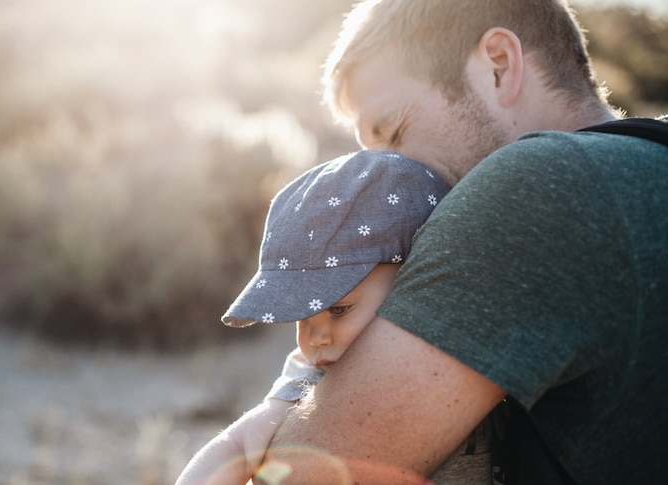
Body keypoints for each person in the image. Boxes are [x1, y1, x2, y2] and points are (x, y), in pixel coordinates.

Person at [255, 1, 668, 484]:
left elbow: (298, 477)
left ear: (498, 65)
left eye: (394, 132)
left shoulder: (532, 188)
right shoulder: (646, 162)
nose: (381, 178)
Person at [176, 150, 498, 485]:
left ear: (413, 281)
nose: (316, 337)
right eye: (302, 317)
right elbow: (237, 443)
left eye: (339, 309)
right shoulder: (312, 376)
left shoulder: (469, 338)